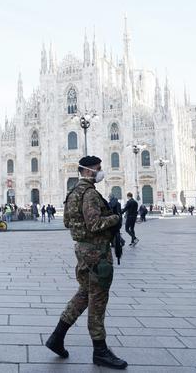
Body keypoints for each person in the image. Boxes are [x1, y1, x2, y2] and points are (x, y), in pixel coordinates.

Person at [45, 155, 127, 370]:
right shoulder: (89, 194)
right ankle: (100, 351)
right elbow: (94, 224)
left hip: (82, 249)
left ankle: (57, 337)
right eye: (99, 168)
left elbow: (66, 221)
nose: (101, 171)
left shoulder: (73, 192)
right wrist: (115, 218)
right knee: (98, 299)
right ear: (89, 170)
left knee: (84, 294)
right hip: (96, 253)